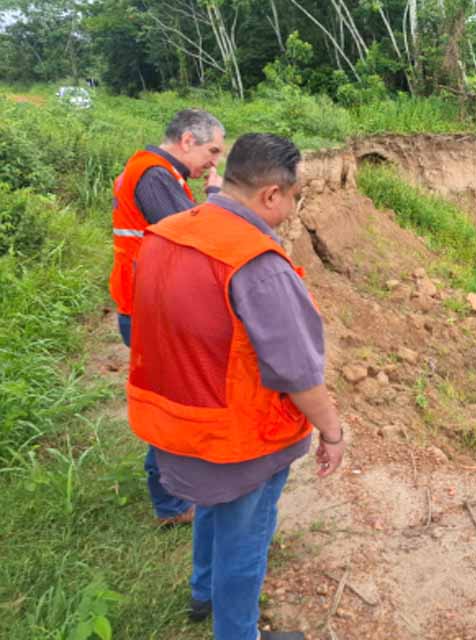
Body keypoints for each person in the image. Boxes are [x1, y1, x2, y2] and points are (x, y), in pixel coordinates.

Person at [127, 133, 344, 640]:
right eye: (294, 197)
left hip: (177, 420)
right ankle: (238, 632)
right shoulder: (258, 266)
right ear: (271, 194)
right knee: (244, 544)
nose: (293, 208)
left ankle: (202, 593)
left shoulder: (168, 232)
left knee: (213, 507)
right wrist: (332, 433)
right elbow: (299, 375)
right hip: (238, 439)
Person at [110, 108, 225, 526]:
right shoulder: (154, 176)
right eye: (212, 151)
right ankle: (172, 505)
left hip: (149, 303)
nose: (213, 162)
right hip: (149, 309)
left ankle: (177, 493)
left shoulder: (160, 174)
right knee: (170, 405)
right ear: (188, 140)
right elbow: (192, 239)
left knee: (174, 400)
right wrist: (216, 198)